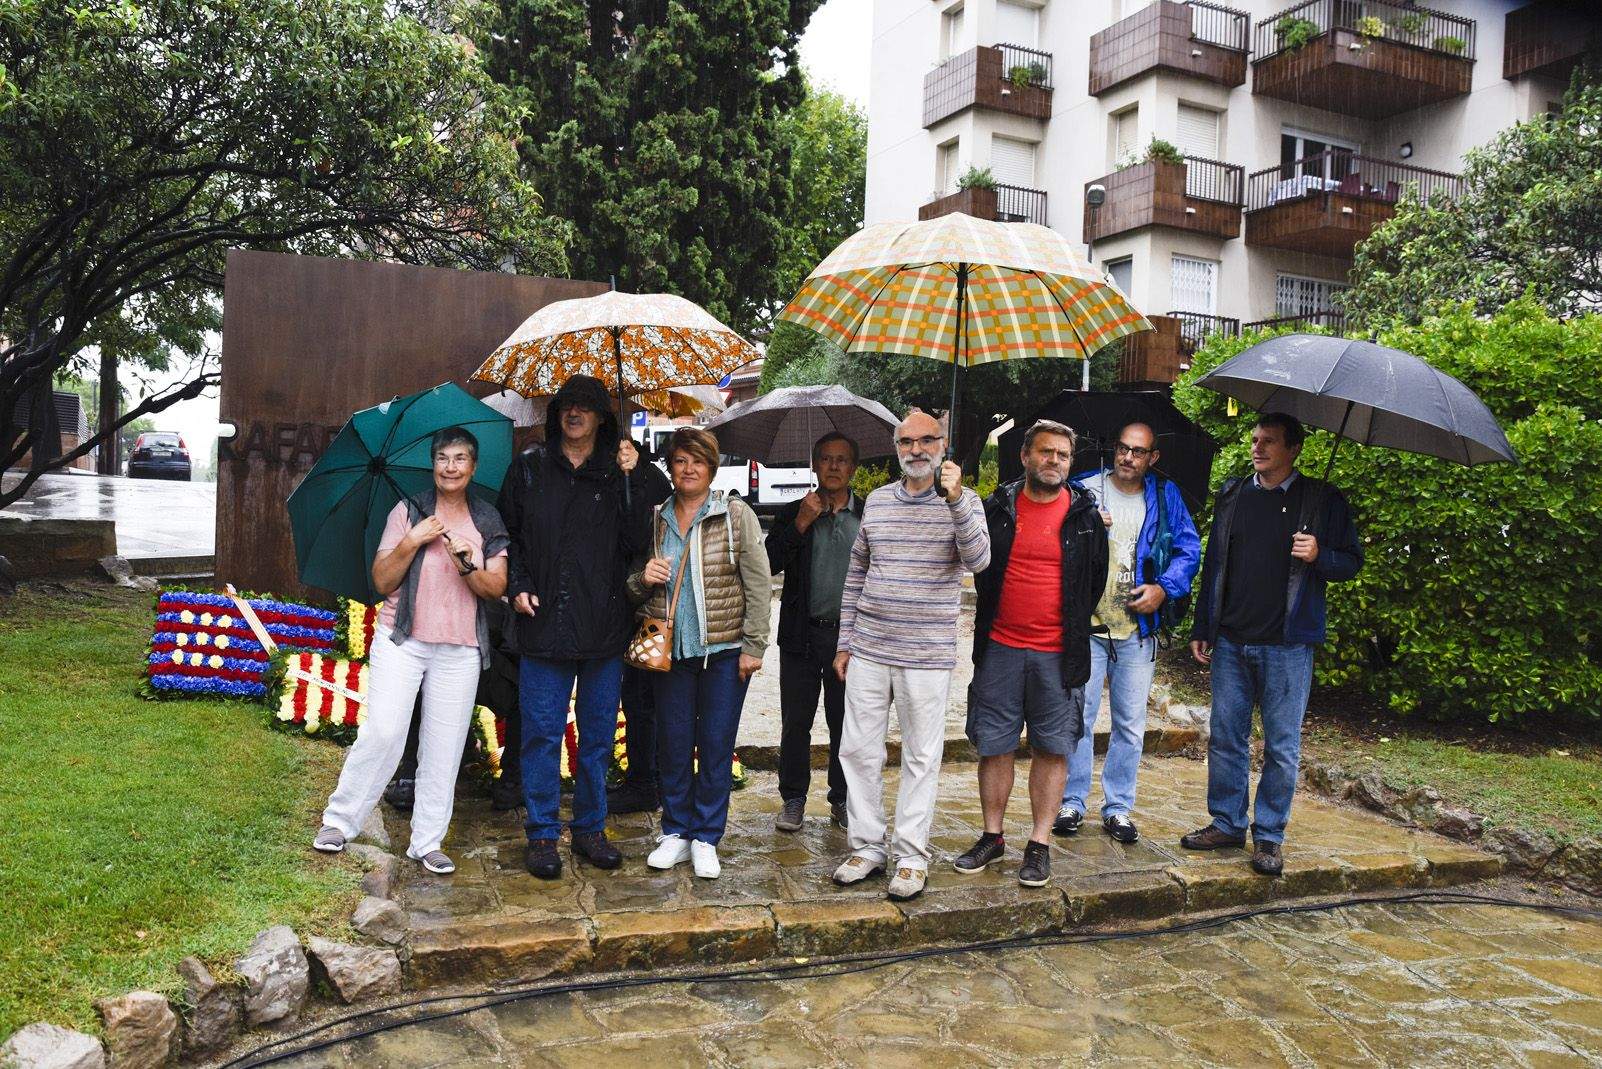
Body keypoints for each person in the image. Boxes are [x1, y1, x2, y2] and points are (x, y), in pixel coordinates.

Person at [315, 427, 509, 875]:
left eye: (460, 459)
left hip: (458, 648)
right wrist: (412, 540)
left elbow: (495, 587)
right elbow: (382, 581)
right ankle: (339, 822)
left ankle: (427, 842)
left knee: (444, 746)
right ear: (433, 464)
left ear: (473, 467)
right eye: (443, 458)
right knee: (383, 730)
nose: (451, 467)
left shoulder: (487, 520)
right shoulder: (408, 510)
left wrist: (467, 562)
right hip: (402, 640)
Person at [1183, 413, 1362, 876]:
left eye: (1270, 442)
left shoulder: (1323, 501)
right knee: (1226, 737)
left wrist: (1321, 555)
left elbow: (1351, 563)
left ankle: (1268, 836)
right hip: (1232, 641)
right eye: (1256, 440)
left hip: (1287, 644)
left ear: (1293, 450)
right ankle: (1226, 822)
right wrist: (1204, 625)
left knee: (1281, 745)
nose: (1258, 448)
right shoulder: (1234, 494)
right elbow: (1216, 565)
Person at [498, 375, 656, 880]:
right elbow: (508, 535)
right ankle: (543, 835)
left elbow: (643, 536)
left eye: (586, 407)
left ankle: (590, 828)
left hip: (604, 627)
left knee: (596, 739)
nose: (574, 413)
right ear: (556, 414)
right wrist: (516, 582)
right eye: (567, 405)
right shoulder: (529, 469)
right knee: (542, 735)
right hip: (543, 623)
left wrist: (638, 472)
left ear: (601, 418)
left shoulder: (620, 471)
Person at [831, 411, 991, 902]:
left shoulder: (964, 502)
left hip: (925, 653)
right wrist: (845, 640)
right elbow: (857, 571)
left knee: (921, 755)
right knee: (858, 750)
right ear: (896, 446)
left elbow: (979, 560)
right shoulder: (877, 502)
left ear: (943, 445)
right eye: (907, 441)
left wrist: (958, 499)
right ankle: (867, 847)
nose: (917, 449)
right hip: (871, 647)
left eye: (927, 440)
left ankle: (911, 854)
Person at [957, 420, 1106, 887]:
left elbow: (1094, 582)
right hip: (1000, 647)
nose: (1054, 461)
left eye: (1062, 455)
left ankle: (1039, 843)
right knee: (994, 745)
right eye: (1045, 452)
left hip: (1059, 655)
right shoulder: (997, 508)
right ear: (1025, 456)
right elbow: (979, 567)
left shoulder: (1084, 517)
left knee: (1053, 749)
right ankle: (993, 836)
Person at [628, 426, 770, 879]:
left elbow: (759, 582)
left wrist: (754, 645)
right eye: (680, 460)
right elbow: (631, 584)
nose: (688, 469)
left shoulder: (734, 514)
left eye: (698, 461)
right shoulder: (655, 517)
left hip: (724, 653)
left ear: (712, 467)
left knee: (714, 744)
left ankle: (706, 836)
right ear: (669, 466)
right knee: (671, 742)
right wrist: (642, 577)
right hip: (672, 653)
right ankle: (675, 832)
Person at [1054, 420, 1200, 844]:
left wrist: (1163, 588)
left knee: (1131, 725)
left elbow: (1188, 550)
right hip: (1087, 626)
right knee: (1077, 719)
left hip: (1137, 631)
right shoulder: (1083, 490)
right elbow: (1055, 543)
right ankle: (1072, 802)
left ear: (1152, 458)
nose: (1128, 457)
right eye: (1122, 448)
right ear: (1112, 449)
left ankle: (1118, 808)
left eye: (1138, 452)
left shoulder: (1164, 494)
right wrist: (1085, 528)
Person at [765, 432, 863, 833]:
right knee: (796, 723)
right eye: (825, 459)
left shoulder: (869, 514)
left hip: (851, 640)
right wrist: (802, 523)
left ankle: (841, 798)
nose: (834, 466)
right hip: (802, 636)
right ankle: (793, 799)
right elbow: (769, 562)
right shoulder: (794, 511)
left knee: (847, 724)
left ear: (853, 468)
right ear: (814, 465)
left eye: (842, 459)